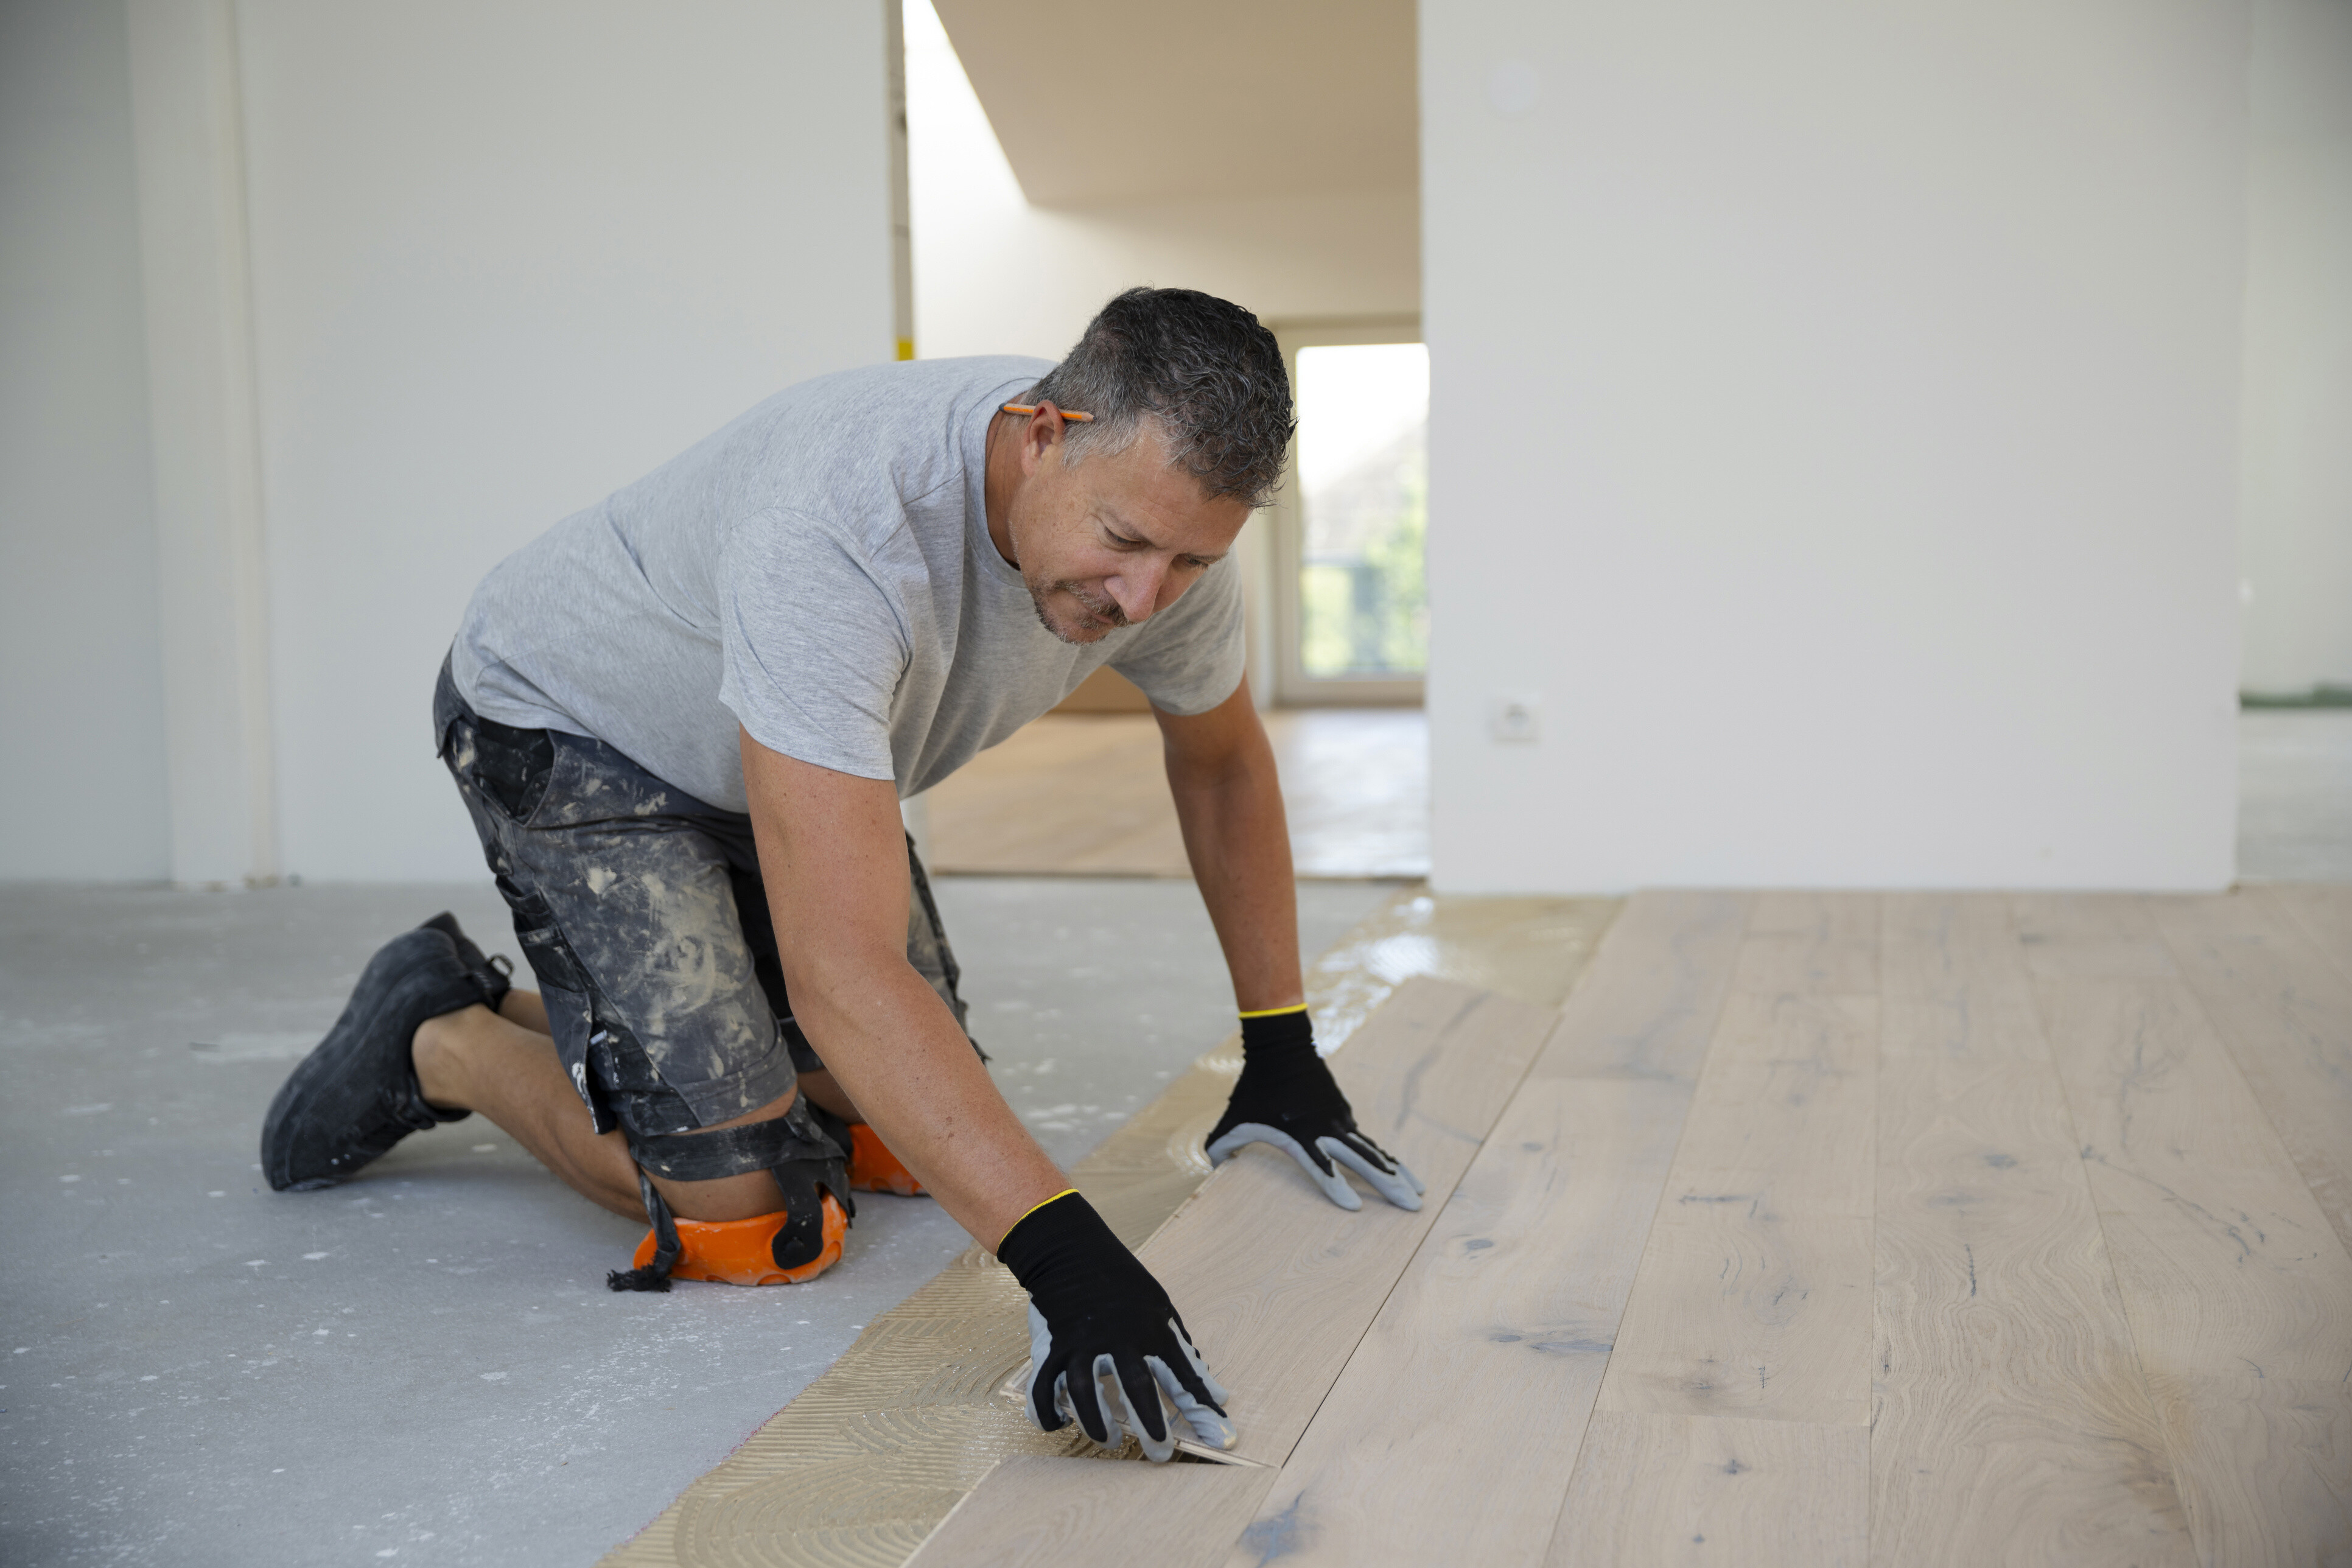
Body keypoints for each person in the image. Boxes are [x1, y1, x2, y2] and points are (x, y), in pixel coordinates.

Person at [259, 287, 1423, 1463]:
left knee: (902, 1132)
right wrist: (1073, 1268)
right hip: (579, 732)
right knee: (758, 1218)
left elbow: (1222, 767)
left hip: (774, 756)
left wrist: (1281, 1047)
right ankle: (438, 1030)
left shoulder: (1162, 520)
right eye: (1122, 544)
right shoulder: (841, 527)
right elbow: (847, 974)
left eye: (1187, 561)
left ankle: (630, 1043)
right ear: (1041, 434)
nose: (1143, 599)